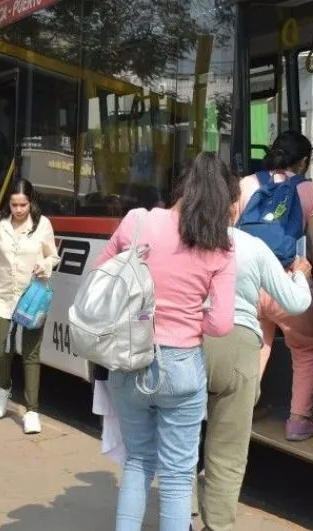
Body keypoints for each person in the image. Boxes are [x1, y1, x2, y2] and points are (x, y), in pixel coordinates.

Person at [94, 152, 237, 531]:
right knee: (176, 478)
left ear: (183, 185)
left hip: (129, 359)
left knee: (138, 461)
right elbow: (222, 324)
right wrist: (190, 315)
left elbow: (100, 277)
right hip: (182, 366)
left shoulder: (138, 222)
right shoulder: (220, 248)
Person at [194, 226, 313, 531]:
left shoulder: (180, 236)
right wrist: (300, 273)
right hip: (237, 343)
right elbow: (296, 302)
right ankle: (217, 525)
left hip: (185, 343)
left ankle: (176, 519)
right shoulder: (250, 244)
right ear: (233, 206)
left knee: (179, 444)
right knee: (227, 449)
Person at [240, 130, 313, 442]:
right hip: (287, 281)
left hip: (249, 285)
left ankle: (239, 410)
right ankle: (298, 420)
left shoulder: (247, 184)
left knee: (256, 343)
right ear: (303, 161)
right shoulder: (311, 191)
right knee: (308, 346)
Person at [0, 179, 59, 434]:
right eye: (14, 205)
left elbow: (52, 255)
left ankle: (32, 410)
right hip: (2, 297)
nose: (19, 210)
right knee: (1, 350)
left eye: (23, 204)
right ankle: (3, 387)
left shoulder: (42, 225)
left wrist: (44, 266)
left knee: (31, 354)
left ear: (30, 203)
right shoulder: (0, 226)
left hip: (32, 297)